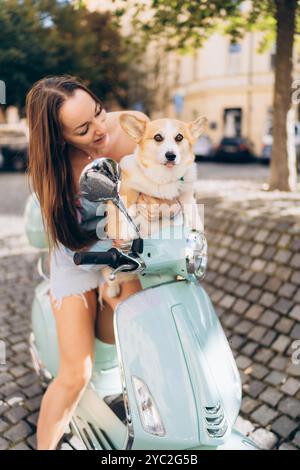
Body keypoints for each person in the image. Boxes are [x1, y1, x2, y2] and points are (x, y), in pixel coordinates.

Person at [25, 75, 150, 450]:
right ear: (60, 137)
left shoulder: (130, 127)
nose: (101, 129)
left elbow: (172, 167)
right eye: (83, 128)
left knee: (136, 329)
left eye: (99, 112)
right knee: (76, 372)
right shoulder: (53, 169)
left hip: (124, 243)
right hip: (75, 249)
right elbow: (66, 236)